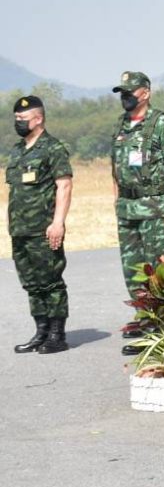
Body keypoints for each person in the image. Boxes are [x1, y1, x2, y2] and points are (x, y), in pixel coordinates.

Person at [110, 71, 164, 335]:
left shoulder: (163, 125)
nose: (125, 97)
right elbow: (115, 167)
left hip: (156, 209)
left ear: (145, 93)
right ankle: (145, 318)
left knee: (157, 268)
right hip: (127, 209)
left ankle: (163, 324)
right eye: (122, 92)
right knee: (132, 269)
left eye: (130, 92)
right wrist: (117, 201)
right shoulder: (121, 125)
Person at [7, 96, 73, 354]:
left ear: (38, 118)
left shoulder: (52, 148)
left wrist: (58, 223)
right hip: (20, 229)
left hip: (43, 228)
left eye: (23, 118)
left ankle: (57, 335)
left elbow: (64, 186)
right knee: (31, 282)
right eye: (16, 118)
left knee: (50, 281)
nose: (18, 122)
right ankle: (41, 331)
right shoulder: (17, 150)